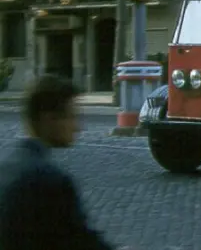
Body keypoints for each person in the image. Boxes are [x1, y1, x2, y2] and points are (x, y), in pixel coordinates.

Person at [0, 75, 118, 250]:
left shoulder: (7, 166)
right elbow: (81, 242)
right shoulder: (50, 181)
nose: (77, 127)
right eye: (72, 116)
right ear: (49, 119)